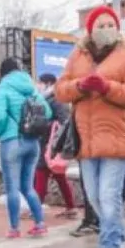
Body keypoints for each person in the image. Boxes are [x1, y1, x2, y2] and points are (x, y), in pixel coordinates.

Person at [56, 5, 125, 248]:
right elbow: (61, 90)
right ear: (91, 29)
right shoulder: (78, 55)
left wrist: (107, 87)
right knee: (94, 196)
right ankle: (118, 234)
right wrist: (80, 86)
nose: (107, 30)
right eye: (101, 25)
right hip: (87, 139)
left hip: (117, 136)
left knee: (109, 195)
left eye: (111, 25)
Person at [0, 58, 52, 238]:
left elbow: (0, 116)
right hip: (32, 142)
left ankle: (14, 228)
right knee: (28, 187)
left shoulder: (3, 87)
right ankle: (40, 223)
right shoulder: (31, 87)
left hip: (12, 141)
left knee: (12, 188)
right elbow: (47, 112)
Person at [34, 73, 79, 218]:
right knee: (58, 176)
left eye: (40, 82)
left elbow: (64, 121)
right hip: (48, 143)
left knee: (41, 172)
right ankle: (71, 206)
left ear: (48, 83)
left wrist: (45, 126)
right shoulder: (48, 98)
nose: (38, 85)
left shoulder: (56, 99)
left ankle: (36, 208)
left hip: (50, 144)